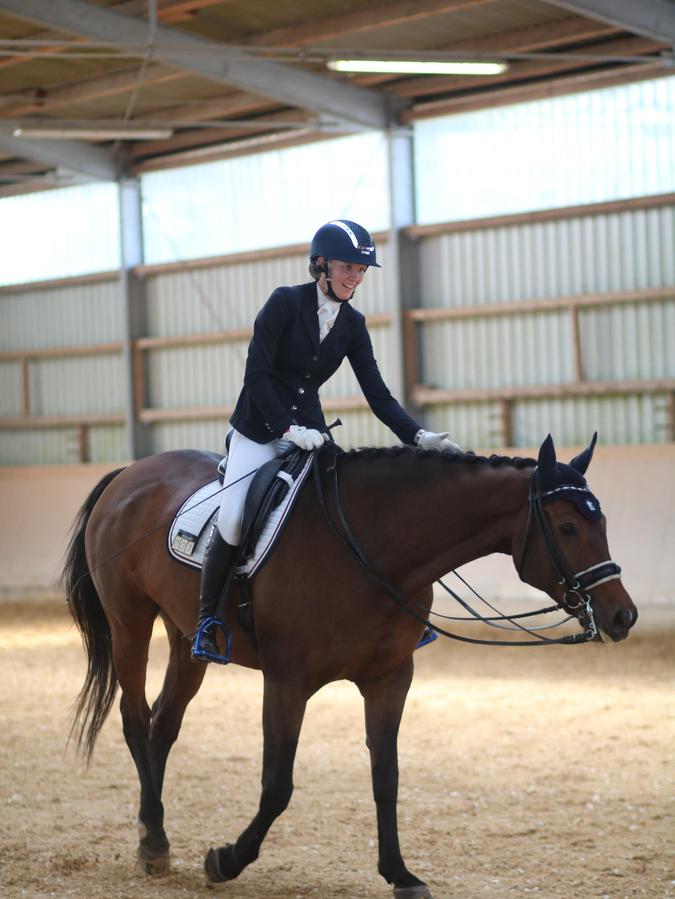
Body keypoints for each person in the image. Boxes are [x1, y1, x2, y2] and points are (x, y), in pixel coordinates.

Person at [192, 219, 461, 663]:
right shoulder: (283, 303)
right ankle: (208, 621)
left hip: (312, 435)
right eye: (348, 267)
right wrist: (285, 429)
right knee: (235, 519)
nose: (355, 278)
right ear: (321, 264)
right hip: (260, 430)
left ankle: (390, 611)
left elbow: (377, 393)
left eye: (361, 270)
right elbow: (256, 376)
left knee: (347, 506)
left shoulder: (352, 324)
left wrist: (418, 435)